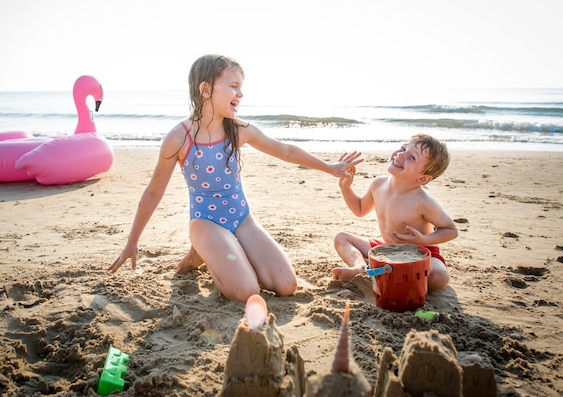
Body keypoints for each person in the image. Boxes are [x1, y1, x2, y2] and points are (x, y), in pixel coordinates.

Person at [108, 54, 362, 302]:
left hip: (242, 218)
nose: (240, 94)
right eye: (233, 86)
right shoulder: (179, 138)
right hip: (205, 223)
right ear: (205, 90)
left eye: (241, 87)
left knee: (287, 286)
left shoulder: (239, 130)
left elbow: (285, 150)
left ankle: (220, 250)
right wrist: (132, 241)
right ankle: (205, 251)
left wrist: (330, 167)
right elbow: (154, 192)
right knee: (247, 291)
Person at [332, 134, 458, 291]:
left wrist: (425, 239)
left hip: (422, 253)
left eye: (411, 157)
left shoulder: (422, 201)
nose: (400, 154)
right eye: (403, 148)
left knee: (438, 277)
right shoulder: (378, 184)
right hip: (389, 249)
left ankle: (381, 270)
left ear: (423, 179)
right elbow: (359, 209)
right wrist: (345, 188)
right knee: (341, 238)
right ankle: (361, 267)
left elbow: (451, 230)